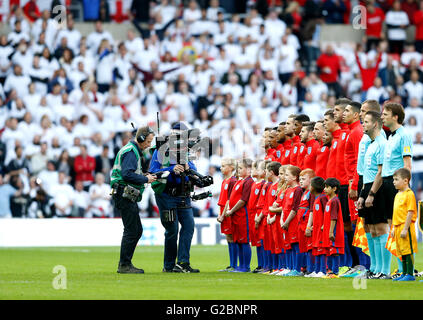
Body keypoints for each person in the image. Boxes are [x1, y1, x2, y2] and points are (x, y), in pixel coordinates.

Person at [149, 122, 200, 273]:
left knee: (189, 226)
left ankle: (183, 262)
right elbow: (153, 172)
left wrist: (188, 168)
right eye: (173, 135)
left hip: (183, 194)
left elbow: (195, 171)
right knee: (172, 229)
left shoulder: (187, 152)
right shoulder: (160, 151)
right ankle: (169, 265)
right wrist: (171, 169)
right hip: (166, 195)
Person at [110, 126, 157, 274]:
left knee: (135, 229)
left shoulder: (131, 150)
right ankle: (124, 265)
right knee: (132, 230)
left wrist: (144, 175)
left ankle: (126, 263)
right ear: (141, 138)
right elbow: (127, 174)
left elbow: (129, 172)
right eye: (148, 141)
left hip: (124, 193)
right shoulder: (131, 152)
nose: (149, 144)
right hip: (124, 193)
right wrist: (145, 178)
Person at [381, 102, 413, 278]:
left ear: (395, 116)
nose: (382, 116)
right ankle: (401, 267)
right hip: (388, 182)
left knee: (401, 225)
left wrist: (405, 188)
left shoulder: (404, 135)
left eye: (386, 113)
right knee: (391, 225)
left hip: (398, 184)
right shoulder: (390, 136)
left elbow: (407, 163)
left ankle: (407, 269)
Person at [357, 110, 389, 279]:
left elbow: (381, 172)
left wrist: (371, 194)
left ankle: (385, 270)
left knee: (381, 227)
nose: (364, 124)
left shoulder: (382, 144)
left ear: (375, 124)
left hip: (378, 188)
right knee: (372, 229)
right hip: (368, 186)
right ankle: (375, 268)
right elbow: (367, 173)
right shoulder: (371, 143)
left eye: (366, 121)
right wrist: (363, 195)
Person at [225, 158, 254, 272]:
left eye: (241, 168)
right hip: (236, 216)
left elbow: (243, 200)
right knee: (238, 241)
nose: (239, 170)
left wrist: (231, 211)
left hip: (243, 215)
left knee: (244, 241)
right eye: (238, 168)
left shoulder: (249, 182)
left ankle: (245, 266)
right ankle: (240, 266)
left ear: (249, 169)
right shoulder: (240, 181)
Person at [392, 168, 418, 281]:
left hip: (405, 227)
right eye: (394, 179)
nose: (394, 182)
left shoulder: (409, 194)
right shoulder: (398, 194)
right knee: (401, 251)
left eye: (396, 179)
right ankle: (404, 272)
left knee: (408, 250)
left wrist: (405, 229)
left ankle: (410, 274)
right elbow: (395, 212)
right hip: (397, 226)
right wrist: (393, 227)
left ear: (406, 181)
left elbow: (410, 212)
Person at [216, 158, 237, 271]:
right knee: (228, 237)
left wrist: (223, 215)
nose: (221, 168)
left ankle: (234, 264)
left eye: (224, 166)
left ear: (231, 167)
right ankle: (231, 264)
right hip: (223, 211)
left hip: (227, 213)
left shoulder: (232, 181)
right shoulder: (225, 180)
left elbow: (229, 200)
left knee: (231, 237)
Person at [322, 177, 344, 278]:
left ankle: (335, 272)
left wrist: (331, 232)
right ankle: (330, 271)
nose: (324, 189)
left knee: (335, 252)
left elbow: (334, 218)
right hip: (328, 230)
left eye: (327, 187)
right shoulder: (329, 200)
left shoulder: (335, 201)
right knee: (329, 251)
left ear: (334, 189)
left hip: (334, 231)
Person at [308, 176, 329, 278]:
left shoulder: (322, 198)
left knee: (322, 250)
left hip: (321, 230)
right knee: (316, 249)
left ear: (314, 187)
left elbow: (326, 212)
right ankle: (316, 270)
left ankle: (323, 270)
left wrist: (324, 225)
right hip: (315, 230)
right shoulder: (316, 199)